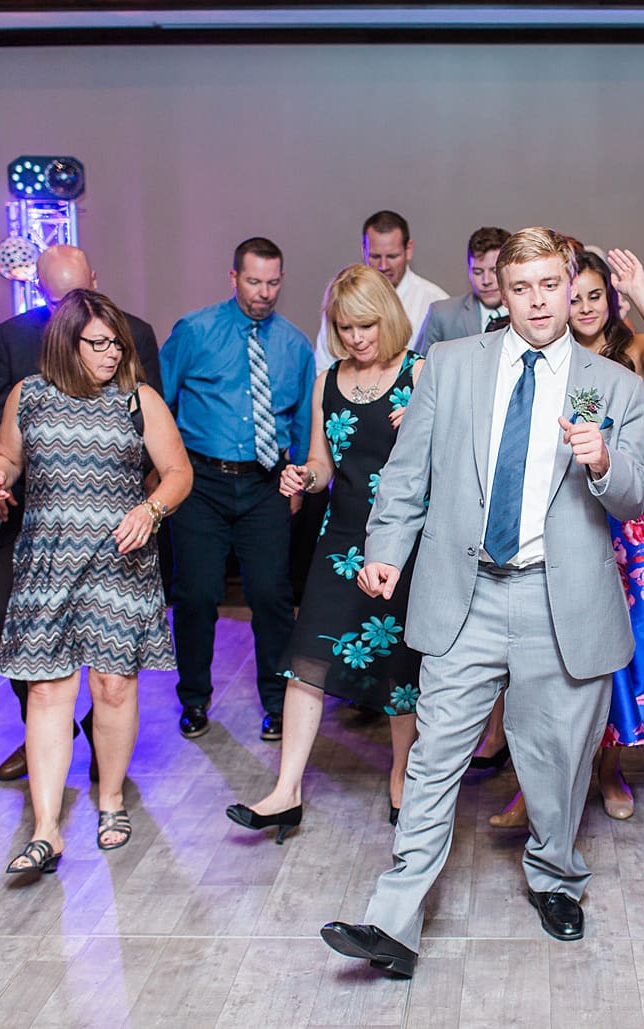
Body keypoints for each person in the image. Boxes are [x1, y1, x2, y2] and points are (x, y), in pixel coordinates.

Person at [320, 227, 644, 978]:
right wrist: (383, 549)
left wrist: (602, 460)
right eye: (521, 286)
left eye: (549, 285)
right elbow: (407, 472)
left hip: (557, 599)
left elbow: (635, 499)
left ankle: (556, 873)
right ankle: (392, 917)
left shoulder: (612, 383)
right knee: (435, 756)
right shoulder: (451, 364)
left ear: (572, 285)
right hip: (463, 593)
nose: (537, 301)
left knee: (556, 760)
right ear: (497, 290)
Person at [487, 247, 644, 826]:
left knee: (615, 651)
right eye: (574, 294)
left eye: (595, 295)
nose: (584, 307)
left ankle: (608, 770)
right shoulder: (544, 352)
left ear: (611, 299)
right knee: (546, 650)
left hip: (631, 521)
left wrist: (641, 291)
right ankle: (534, 787)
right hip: (567, 513)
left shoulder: (629, 348)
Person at [0, 289, 192, 874]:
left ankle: (112, 799)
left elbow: (177, 472)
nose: (110, 353)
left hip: (119, 561)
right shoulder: (29, 397)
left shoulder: (138, 400)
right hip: (47, 561)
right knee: (48, 690)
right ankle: (46, 828)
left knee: (114, 688)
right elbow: (4, 456)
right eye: (97, 343)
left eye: (116, 342)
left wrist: (150, 511)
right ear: (64, 343)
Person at [224, 266, 424, 841]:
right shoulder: (328, 380)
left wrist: (425, 425)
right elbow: (323, 464)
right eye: (345, 326)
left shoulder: (421, 374)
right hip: (341, 542)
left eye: (365, 325)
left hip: (406, 541)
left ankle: (401, 779)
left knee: (399, 671)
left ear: (386, 317)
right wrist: (301, 479)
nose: (357, 337)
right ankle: (285, 793)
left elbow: (455, 454)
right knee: (306, 660)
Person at [0, 244, 161, 784]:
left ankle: (105, 737)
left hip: (112, 517)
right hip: (35, 511)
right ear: (40, 292)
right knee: (6, 619)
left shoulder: (133, 333)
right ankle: (45, 728)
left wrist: (148, 506)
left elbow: (154, 425)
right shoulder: (13, 338)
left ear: (96, 282)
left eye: (78, 295)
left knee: (110, 654)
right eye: (56, 300)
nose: (67, 308)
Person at [161, 237, 314, 742]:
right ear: (233, 278)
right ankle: (195, 699)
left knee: (271, 595)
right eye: (254, 281)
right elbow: (158, 401)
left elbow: (300, 421)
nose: (264, 293)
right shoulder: (195, 331)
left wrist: (294, 481)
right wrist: (160, 474)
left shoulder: (295, 345)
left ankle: (276, 704)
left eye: (273, 282)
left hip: (266, 485)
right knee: (197, 594)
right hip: (200, 484)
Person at [315, 210, 447, 369]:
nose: (383, 266)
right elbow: (324, 365)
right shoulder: (341, 300)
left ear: (409, 249)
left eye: (392, 256)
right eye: (375, 257)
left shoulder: (435, 302)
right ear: (363, 249)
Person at [416, 226, 510, 353]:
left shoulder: (532, 312)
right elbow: (420, 369)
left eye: (494, 271)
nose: (486, 281)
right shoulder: (443, 315)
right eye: (477, 272)